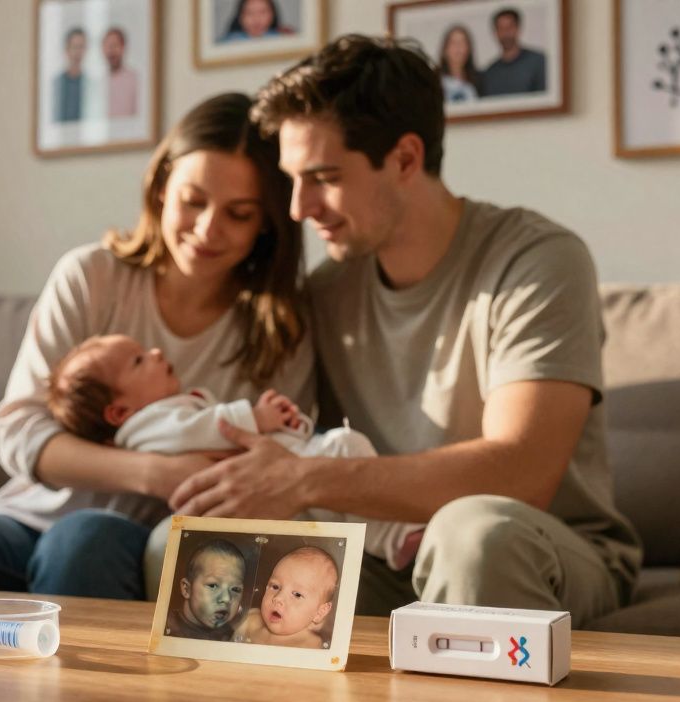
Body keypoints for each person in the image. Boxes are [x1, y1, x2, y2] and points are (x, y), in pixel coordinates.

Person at [169, 35, 642, 626]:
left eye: (323, 177)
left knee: (473, 533)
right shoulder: (328, 290)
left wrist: (303, 478)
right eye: (293, 181)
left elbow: (521, 474)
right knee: (188, 545)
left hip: (533, 550)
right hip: (384, 553)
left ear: (405, 159)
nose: (298, 208)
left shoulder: (536, 262)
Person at [0, 92, 312, 600]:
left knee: (82, 540)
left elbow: (276, 464)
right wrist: (157, 473)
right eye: (193, 201)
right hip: (23, 522)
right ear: (161, 188)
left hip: (129, 544)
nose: (208, 228)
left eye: (239, 213)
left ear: (267, 221)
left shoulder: (279, 328)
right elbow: (21, 432)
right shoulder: (92, 277)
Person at [46, 333, 424, 570]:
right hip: (269, 487)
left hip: (283, 469)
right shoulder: (146, 427)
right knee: (345, 447)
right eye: (139, 360)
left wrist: (284, 424)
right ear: (119, 413)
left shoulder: (173, 409)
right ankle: (392, 539)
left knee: (342, 454)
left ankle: (392, 535)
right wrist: (256, 417)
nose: (156, 352)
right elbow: (200, 430)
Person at [233, 546, 338, 648]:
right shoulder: (250, 621)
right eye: (275, 587)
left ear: (319, 613)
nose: (278, 598)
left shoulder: (309, 646)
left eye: (297, 594)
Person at [167, 539, 248, 641]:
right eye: (213, 586)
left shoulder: (232, 637)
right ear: (186, 589)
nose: (226, 598)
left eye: (235, 589)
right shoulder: (167, 629)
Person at [482, 8, 546, 96]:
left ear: (518, 29)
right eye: (501, 28)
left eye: (509, 27)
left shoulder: (538, 62)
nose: (505, 33)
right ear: (495, 33)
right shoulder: (489, 73)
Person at [438, 25, 482, 103]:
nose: (458, 47)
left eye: (462, 43)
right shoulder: (435, 80)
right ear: (445, 49)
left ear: (469, 49)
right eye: (453, 43)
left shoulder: (480, 80)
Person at [102, 27, 138, 118]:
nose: (111, 51)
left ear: (123, 47)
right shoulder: (97, 82)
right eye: (108, 46)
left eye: (115, 46)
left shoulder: (134, 79)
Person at [54, 27, 87, 122]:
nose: (78, 52)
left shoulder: (90, 85)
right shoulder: (56, 84)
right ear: (67, 49)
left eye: (81, 47)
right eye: (75, 47)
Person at [221, 0, 292, 43]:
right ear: (240, 17)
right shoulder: (229, 42)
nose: (256, 19)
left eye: (262, 12)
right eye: (250, 13)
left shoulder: (282, 38)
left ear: (272, 15)